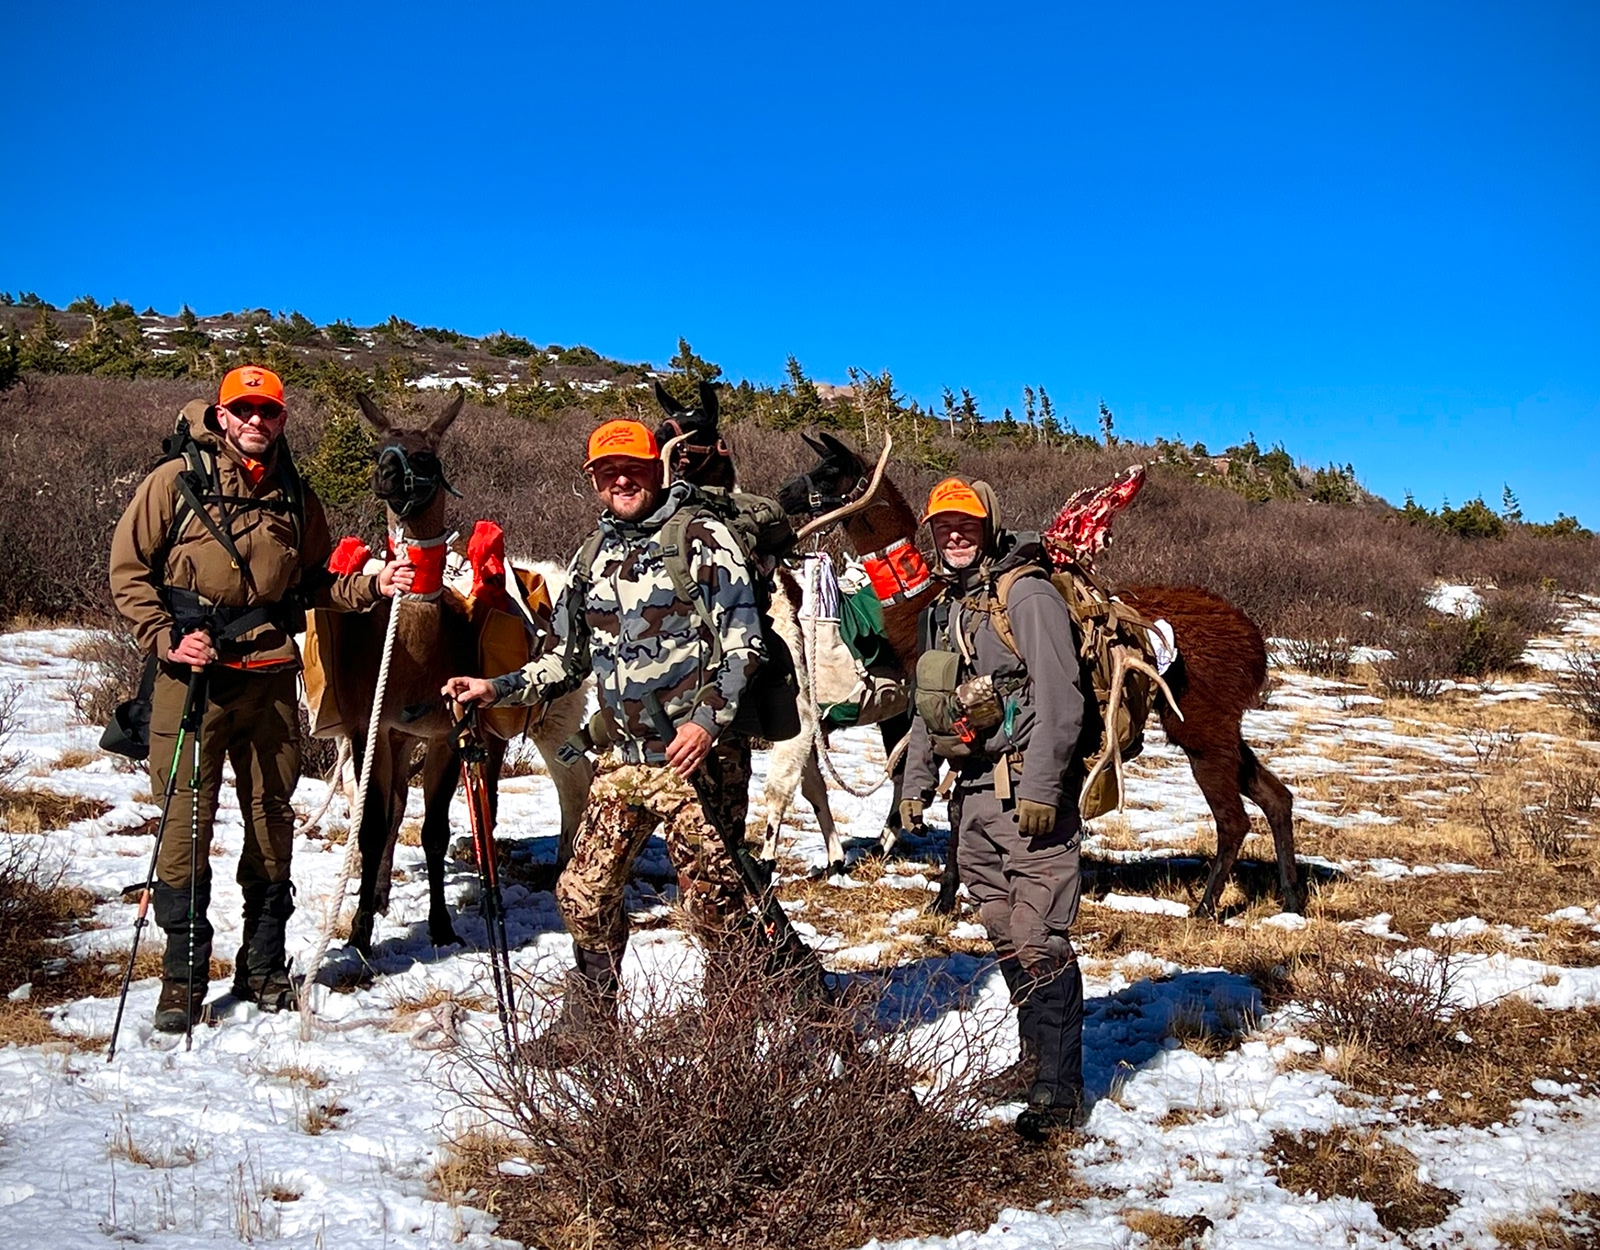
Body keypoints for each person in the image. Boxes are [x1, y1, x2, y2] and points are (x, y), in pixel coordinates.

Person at [110, 365, 414, 1032]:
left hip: (272, 680)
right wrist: (165, 637)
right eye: (243, 409)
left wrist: (372, 587)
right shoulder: (175, 482)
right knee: (184, 826)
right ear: (221, 416)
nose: (256, 421)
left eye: (268, 412)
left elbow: (312, 584)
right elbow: (128, 571)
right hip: (191, 681)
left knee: (271, 818)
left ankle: (264, 965)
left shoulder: (296, 498)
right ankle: (183, 981)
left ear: (281, 420)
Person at [443, 418, 766, 1035]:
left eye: (633, 468)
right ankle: (590, 1024)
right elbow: (565, 660)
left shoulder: (703, 538)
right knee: (582, 892)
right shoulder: (591, 555)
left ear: (656, 470)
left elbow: (743, 646)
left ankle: (734, 1035)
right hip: (621, 759)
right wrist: (494, 687)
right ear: (593, 481)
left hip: (694, 758)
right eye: (607, 471)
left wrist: (705, 723)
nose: (621, 479)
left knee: (714, 904)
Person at [899, 477, 1091, 1139]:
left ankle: (1060, 1090)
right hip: (974, 802)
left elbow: (1064, 698)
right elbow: (933, 704)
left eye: (967, 523)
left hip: (1027, 797)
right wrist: (913, 785)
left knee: (1041, 938)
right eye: (943, 524)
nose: (955, 534)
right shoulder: (948, 605)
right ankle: (1031, 1061)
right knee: (1008, 935)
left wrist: (1042, 786)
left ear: (989, 524)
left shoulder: (1026, 594)